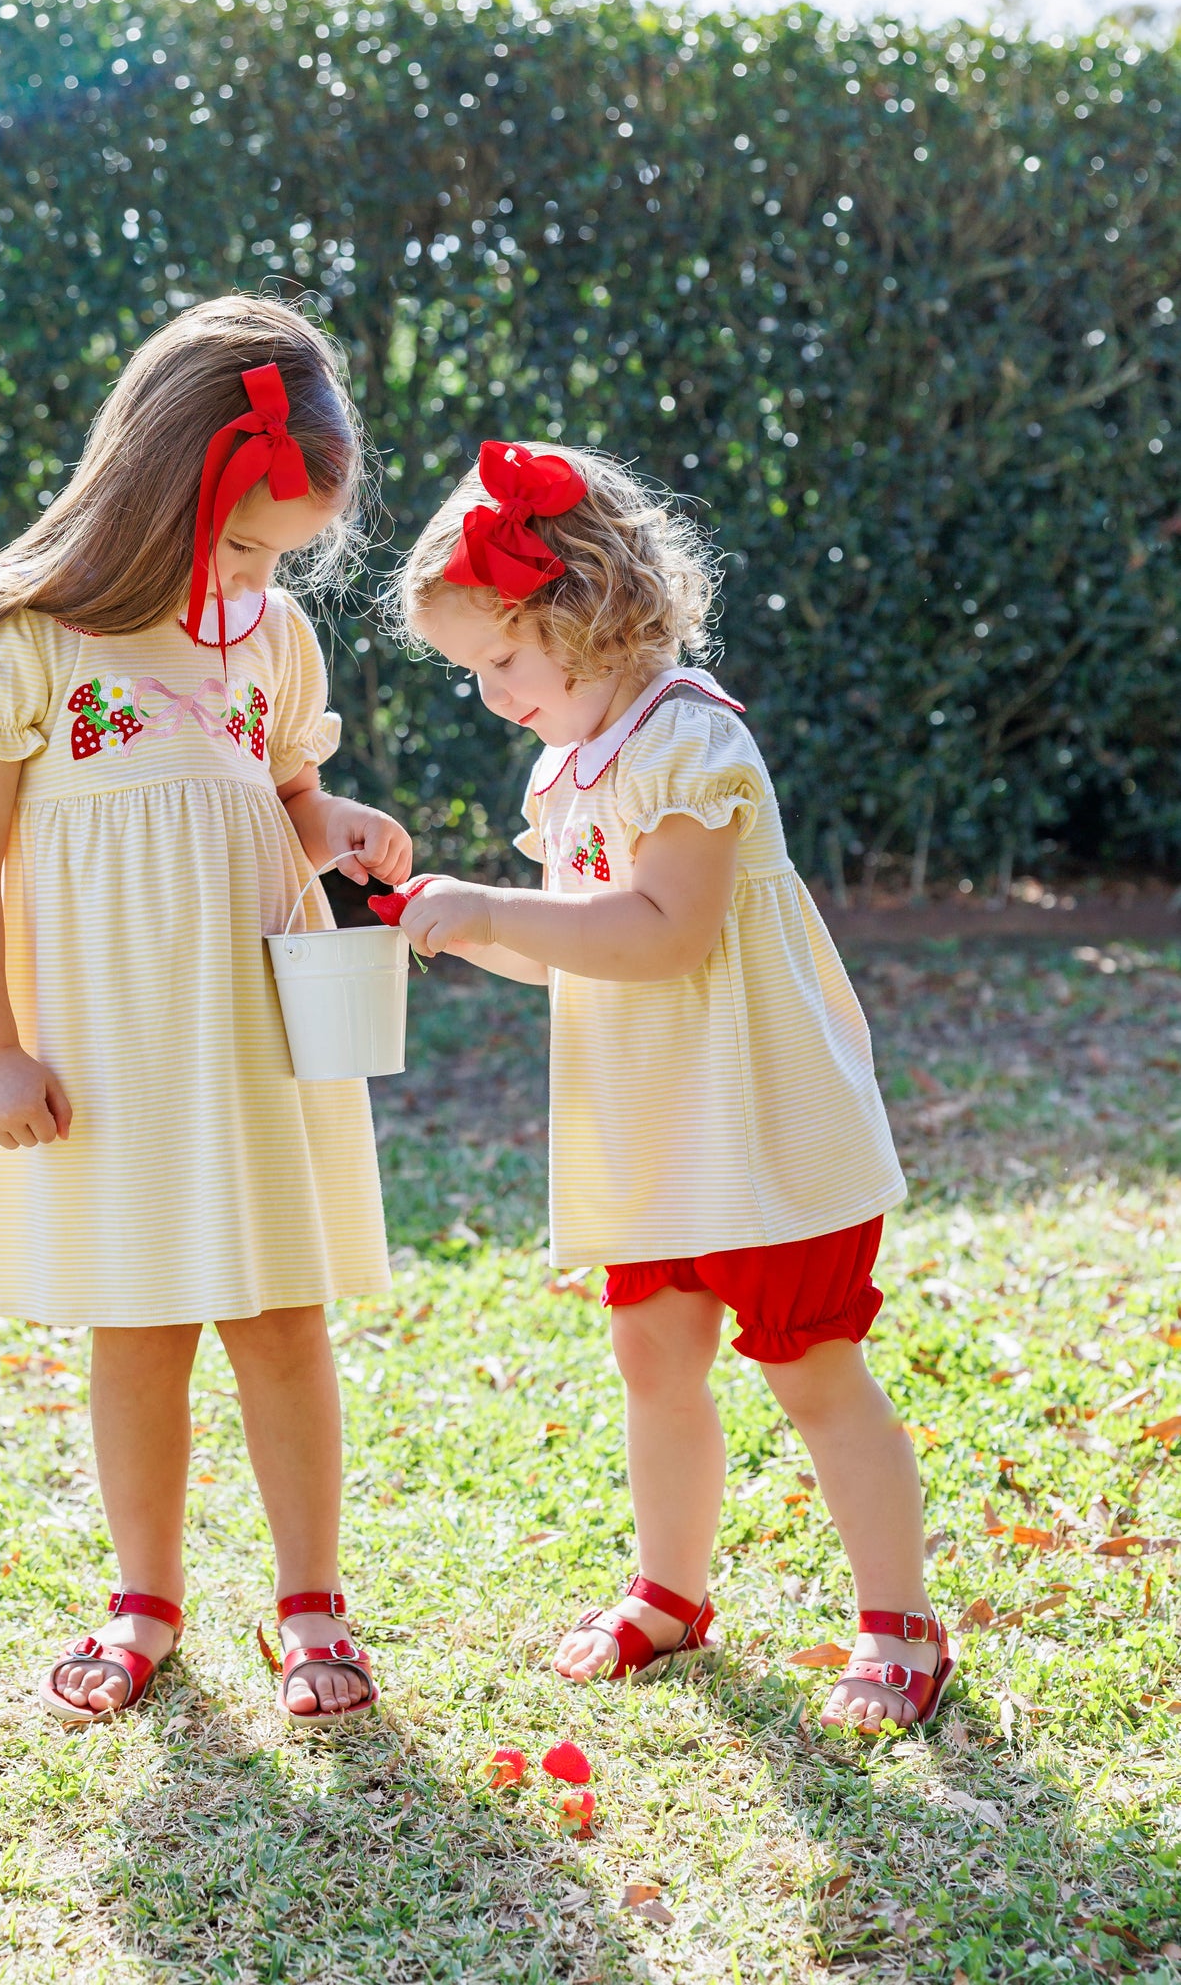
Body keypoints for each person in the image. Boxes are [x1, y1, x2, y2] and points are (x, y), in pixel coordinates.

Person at [389, 441, 954, 1734]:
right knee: (653, 1355)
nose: (487, 695)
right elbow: (580, 949)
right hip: (656, 1126)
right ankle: (671, 1590)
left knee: (810, 1367)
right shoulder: (566, 767)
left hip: (758, 1121)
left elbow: (663, 935)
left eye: (499, 662)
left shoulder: (690, 742)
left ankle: (898, 1623)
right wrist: (462, 926)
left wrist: (498, 906)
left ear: (581, 613)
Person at [0, 296, 410, 1729]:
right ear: (156, 487)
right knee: (137, 1323)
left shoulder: (271, 638)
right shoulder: (18, 641)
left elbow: (278, 801)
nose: (256, 573)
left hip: (254, 1028)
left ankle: (311, 1601)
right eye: (243, 541)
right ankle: (144, 1598)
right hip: (105, 1041)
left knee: (282, 1313)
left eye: (279, 553)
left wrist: (338, 823)